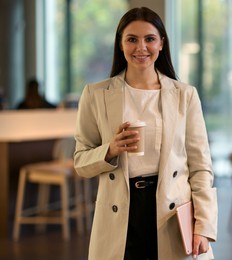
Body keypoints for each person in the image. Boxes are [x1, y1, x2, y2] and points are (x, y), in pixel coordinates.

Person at [73, 7, 217, 260]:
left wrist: (203, 226)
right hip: (120, 211)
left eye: (149, 39)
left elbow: (200, 166)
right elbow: (80, 162)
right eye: (132, 39)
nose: (141, 47)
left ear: (161, 43)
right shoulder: (95, 94)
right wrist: (110, 150)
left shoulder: (185, 95)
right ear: (120, 44)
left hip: (171, 212)